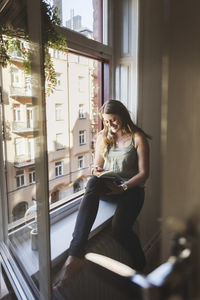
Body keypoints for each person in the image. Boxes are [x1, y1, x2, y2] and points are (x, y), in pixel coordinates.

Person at [54, 99, 150, 289]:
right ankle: (76, 254)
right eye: (106, 121)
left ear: (122, 116)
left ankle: (141, 265)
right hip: (110, 185)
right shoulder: (102, 137)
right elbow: (96, 167)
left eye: (113, 120)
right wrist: (97, 170)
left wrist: (123, 187)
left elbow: (144, 174)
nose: (110, 125)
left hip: (130, 190)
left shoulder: (137, 138)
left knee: (120, 230)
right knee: (92, 183)